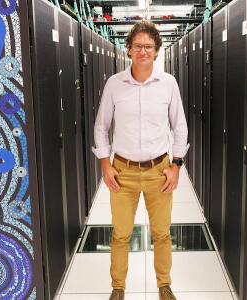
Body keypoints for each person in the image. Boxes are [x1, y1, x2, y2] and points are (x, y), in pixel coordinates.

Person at [91, 20, 189, 300]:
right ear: (129, 50)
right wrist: (105, 164)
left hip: (160, 170)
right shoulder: (114, 84)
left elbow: (179, 126)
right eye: (138, 46)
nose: (143, 51)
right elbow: (101, 126)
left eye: (148, 46)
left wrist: (176, 165)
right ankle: (118, 288)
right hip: (123, 171)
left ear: (157, 50)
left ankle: (164, 285)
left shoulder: (168, 83)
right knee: (120, 234)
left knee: (162, 233)